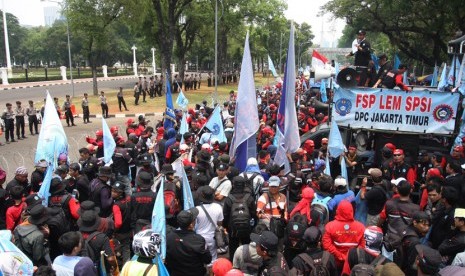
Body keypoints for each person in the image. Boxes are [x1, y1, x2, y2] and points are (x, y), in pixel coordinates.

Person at [166, 207, 212, 275]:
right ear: (191, 225)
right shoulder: (198, 240)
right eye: (194, 220)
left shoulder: (169, 237)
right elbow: (208, 260)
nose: (195, 221)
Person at [322, 200, 366, 269]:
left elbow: (327, 245)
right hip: (354, 264)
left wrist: (341, 256)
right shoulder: (361, 227)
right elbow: (363, 245)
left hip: (335, 262)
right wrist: (351, 257)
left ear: (338, 210)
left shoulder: (330, 226)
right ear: (352, 211)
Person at [223, 176, 257, 260]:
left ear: (233, 184)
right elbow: (254, 214)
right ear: (244, 185)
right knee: (247, 246)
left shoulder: (229, 199)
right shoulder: (249, 198)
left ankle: (234, 265)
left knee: (233, 247)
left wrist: (226, 227)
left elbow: (225, 215)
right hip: (247, 228)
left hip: (233, 229)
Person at [195, 185, 224, 263]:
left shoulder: (197, 209)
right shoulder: (218, 207)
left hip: (199, 238)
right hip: (212, 237)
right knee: (213, 259)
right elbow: (220, 223)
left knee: (199, 259)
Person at [111, 181, 132, 266]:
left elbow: (118, 223)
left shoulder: (116, 205)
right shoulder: (129, 199)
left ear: (120, 193)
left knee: (117, 249)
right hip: (128, 230)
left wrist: (114, 230)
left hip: (119, 232)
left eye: (115, 191)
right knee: (126, 250)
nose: (113, 193)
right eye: (112, 190)